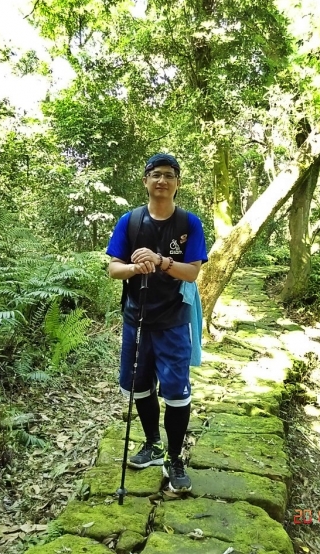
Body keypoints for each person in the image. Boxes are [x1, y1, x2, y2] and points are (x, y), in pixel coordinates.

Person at [106, 153, 208, 493]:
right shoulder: (130, 221)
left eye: (168, 175)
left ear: (177, 183)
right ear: (146, 180)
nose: (161, 181)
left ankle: (174, 458)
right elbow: (113, 268)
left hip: (173, 320)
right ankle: (153, 444)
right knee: (137, 386)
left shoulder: (188, 223)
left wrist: (161, 261)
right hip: (137, 317)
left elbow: (192, 272)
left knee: (176, 393)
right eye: (155, 174)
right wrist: (136, 268)